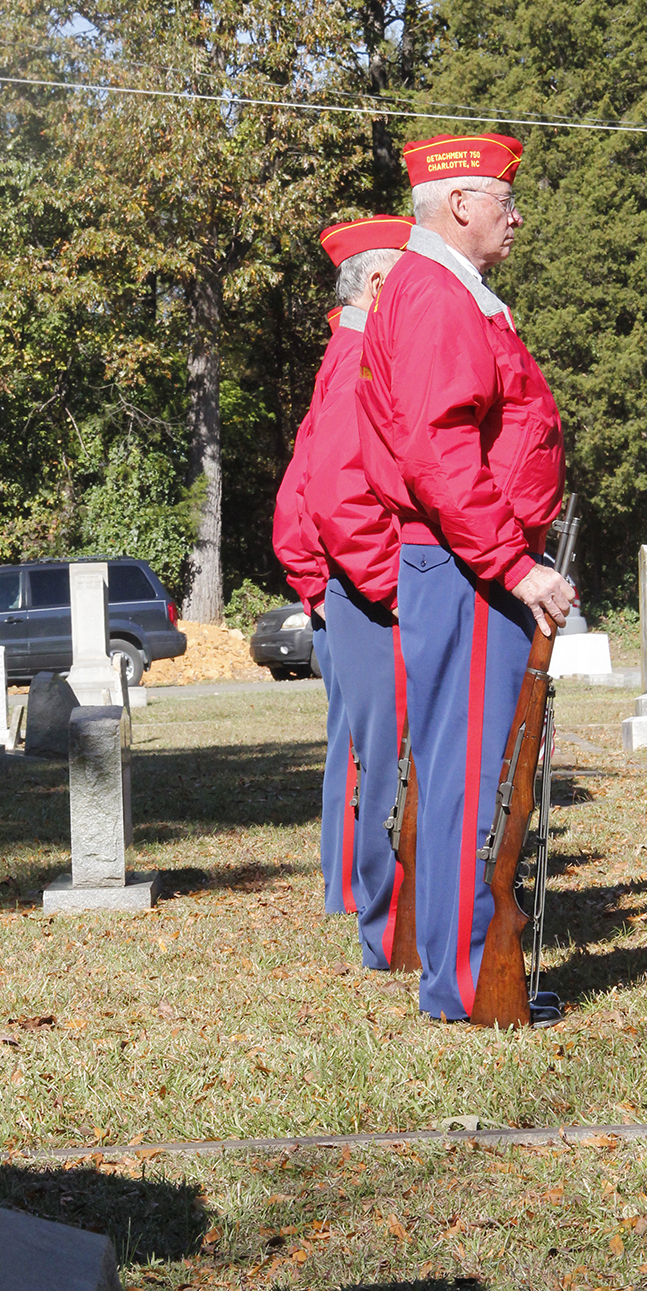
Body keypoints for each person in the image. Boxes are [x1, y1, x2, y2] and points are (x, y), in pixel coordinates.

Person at [355, 134, 572, 1021]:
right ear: (456, 206)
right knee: (472, 777)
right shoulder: (440, 296)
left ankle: (455, 971)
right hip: (469, 565)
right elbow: (443, 453)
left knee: (457, 772)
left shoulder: (436, 291)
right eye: (501, 199)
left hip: (457, 558)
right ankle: (470, 982)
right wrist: (515, 566)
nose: (514, 217)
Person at [303, 215, 412, 968]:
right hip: (374, 592)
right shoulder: (355, 361)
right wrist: (394, 593)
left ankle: (387, 915)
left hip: (363, 587)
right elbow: (335, 498)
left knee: (379, 754)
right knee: (386, 757)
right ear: (379, 283)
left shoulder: (353, 355)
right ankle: (387, 926)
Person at [272, 308, 353, 916]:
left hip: (340, 593)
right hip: (349, 599)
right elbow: (313, 499)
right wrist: (322, 592)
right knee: (359, 749)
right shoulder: (354, 364)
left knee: (354, 746)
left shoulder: (342, 365)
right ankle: (351, 887)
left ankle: (348, 884)